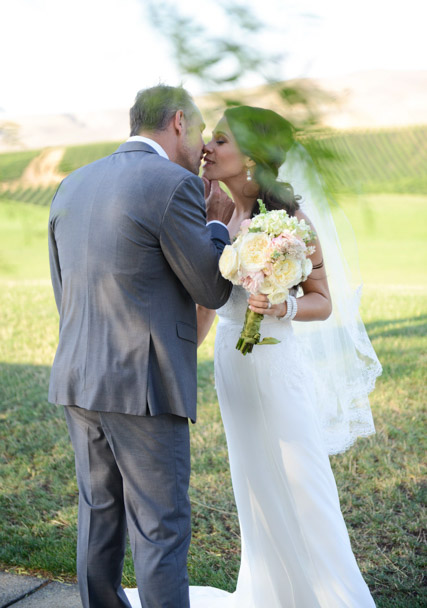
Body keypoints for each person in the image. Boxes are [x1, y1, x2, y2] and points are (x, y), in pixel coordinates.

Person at [48, 85, 234, 608]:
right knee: (161, 528)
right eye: (198, 131)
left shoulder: (72, 183)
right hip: (144, 386)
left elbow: (64, 288)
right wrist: (216, 222)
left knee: (98, 515)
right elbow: (212, 288)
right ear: (178, 121)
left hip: (78, 376)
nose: (201, 146)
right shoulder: (174, 184)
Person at [188, 106, 381, 607]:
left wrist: (283, 303)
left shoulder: (288, 222)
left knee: (302, 483)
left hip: (275, 365)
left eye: (221, 140)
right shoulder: (218, 212)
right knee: (252, 485)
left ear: (250, 157)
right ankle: (272, 594)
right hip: (232, 362)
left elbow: (323, 301)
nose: (207, 145)